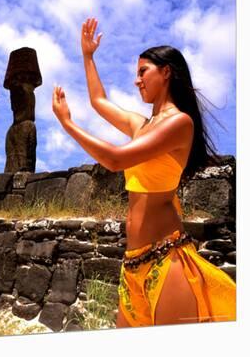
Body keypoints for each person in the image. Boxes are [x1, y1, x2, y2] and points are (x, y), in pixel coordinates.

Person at [51, 17, 236, 327]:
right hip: (132, 264)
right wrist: (87, 56)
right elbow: (98, 101)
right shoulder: (141, 125)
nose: (137, 80)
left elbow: (114, 159)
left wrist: (68, 124)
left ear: (166, 72)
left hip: (167, 263)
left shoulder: (180, 123)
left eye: (142, 72)